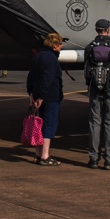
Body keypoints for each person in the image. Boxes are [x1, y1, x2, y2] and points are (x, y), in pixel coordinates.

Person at [85, 19, 110, 170]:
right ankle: (109, 160)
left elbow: (86, 68)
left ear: (96, 30)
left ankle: (93, 159)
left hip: (94, 90)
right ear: (108, 30)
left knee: (94, 124)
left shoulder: (89, 48)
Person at [27, 32, 65, 166]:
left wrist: (32, 94)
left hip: (37, 96)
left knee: (38, 125)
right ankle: (45, 156)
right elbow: (47, 80)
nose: (61, 47)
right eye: (60, 44)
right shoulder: (52, 59)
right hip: (50, 97)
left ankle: (37, 155)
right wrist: (42, 96)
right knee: (49, 125)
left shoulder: (37, 57)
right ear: (55, 45)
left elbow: (30, 77)